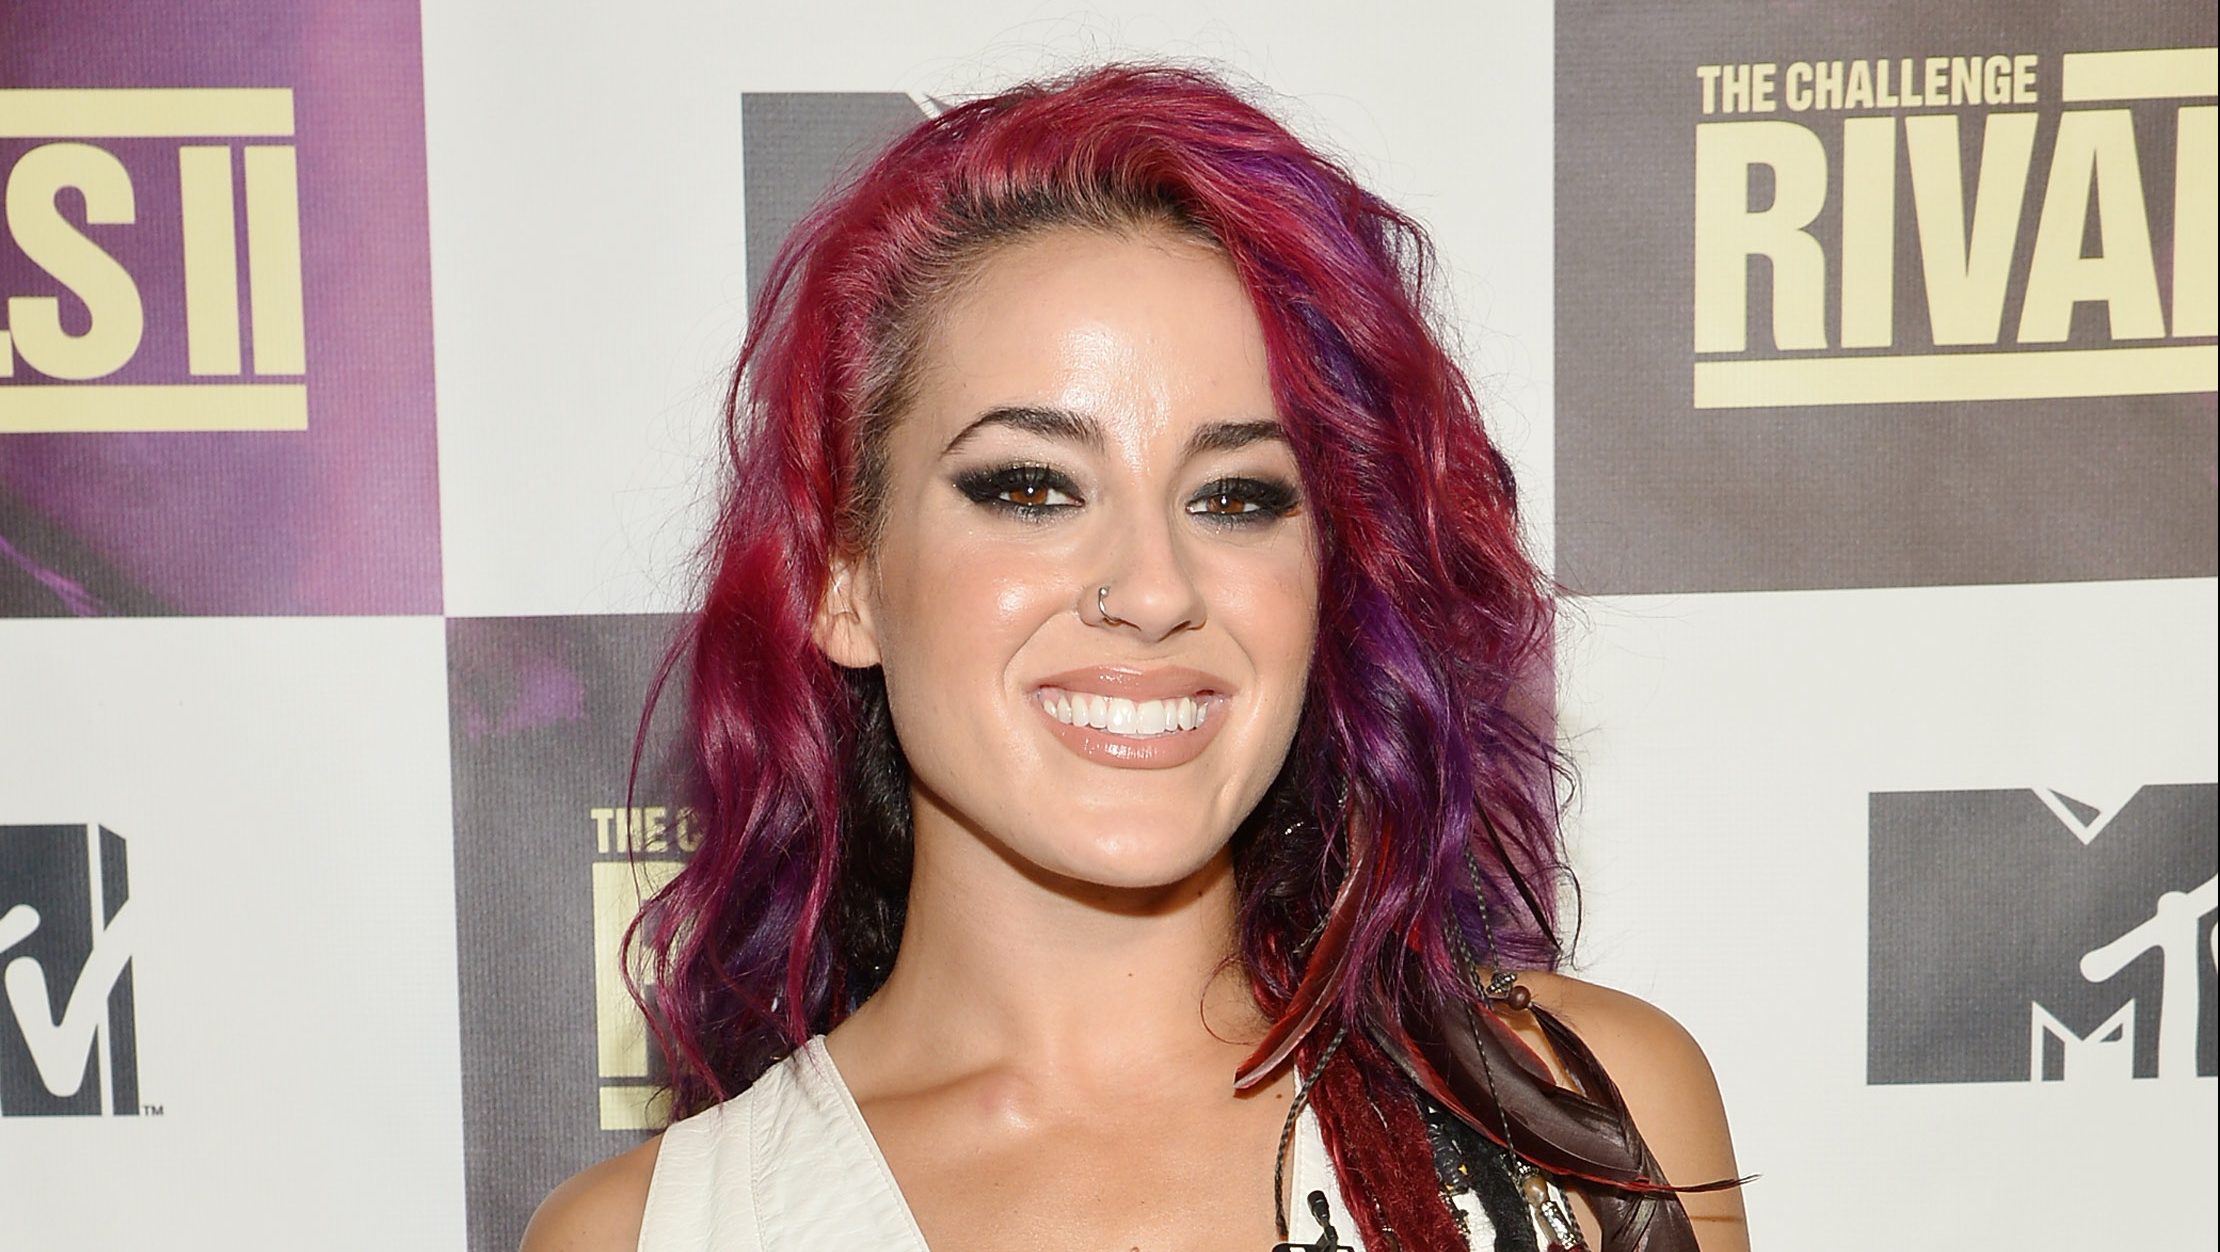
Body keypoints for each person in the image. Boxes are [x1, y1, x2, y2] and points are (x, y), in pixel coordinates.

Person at [523, 63, 1748, 1252]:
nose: (1157, 590)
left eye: (1236, 497)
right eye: (1031, 487)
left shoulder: (1577, 1127)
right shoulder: (650, 1234)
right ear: (841, 575)